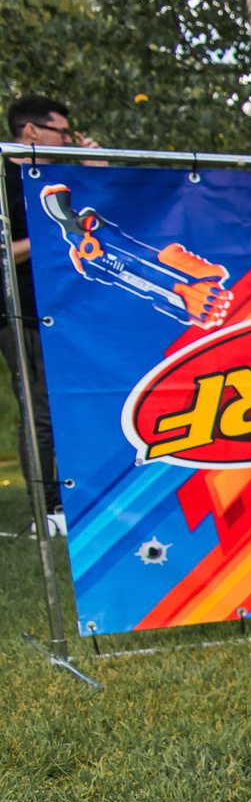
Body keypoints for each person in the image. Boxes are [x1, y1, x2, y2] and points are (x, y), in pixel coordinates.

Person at [4, 94, 90, 517]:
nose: (70, 140)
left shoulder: (61, 175)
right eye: (63, 132)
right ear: (31, 131)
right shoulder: (3, 177)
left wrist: (96, 172)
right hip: (24, 312)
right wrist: (47, 236)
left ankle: (90, 494)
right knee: (41, 408)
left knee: (85, 400)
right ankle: (50, 508)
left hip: (77, 306)